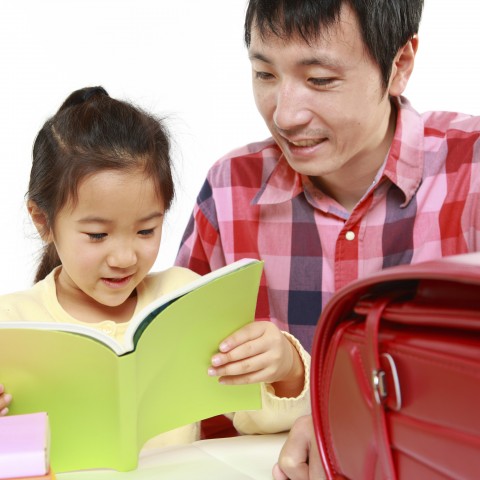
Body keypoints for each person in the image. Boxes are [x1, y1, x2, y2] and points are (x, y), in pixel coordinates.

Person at [175, 0, 480, 476]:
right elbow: (179, 392)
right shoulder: (230, 188)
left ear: (399, 65)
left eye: (319, 80)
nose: (286, 115)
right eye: (265, 74)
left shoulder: (472, 171)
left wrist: (349, 426)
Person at [0, 86, 311, 447]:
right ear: (43, 221)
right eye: (98, 235)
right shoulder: (12, 324)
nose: (124, 258)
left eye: (146, 230)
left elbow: (257, 418)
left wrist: (287, 368)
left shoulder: (183, 298)